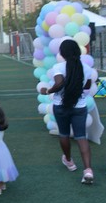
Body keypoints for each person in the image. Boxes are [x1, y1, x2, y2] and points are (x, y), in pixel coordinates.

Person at [40, 39, 94, 184]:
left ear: (62, 53)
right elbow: (87, 88)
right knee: (81, 137)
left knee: (63, 134)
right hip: (79, 106)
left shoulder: (58, 67)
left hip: (61, 106)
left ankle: (69, 161)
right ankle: (88, 170)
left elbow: (59, 83)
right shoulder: (86, 68)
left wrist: (48, 91)